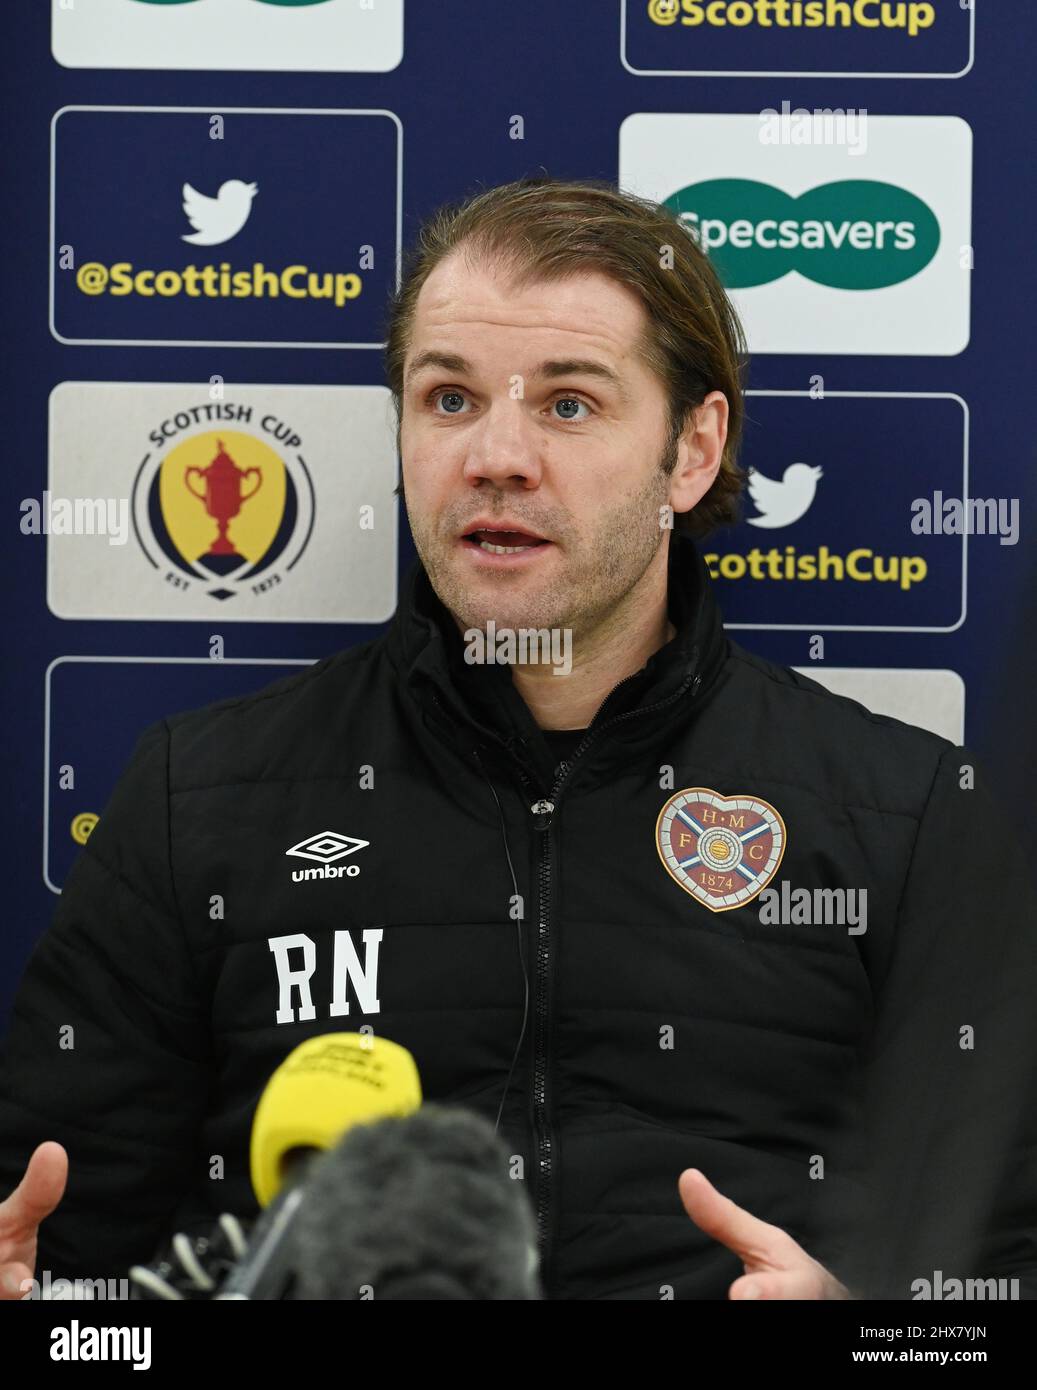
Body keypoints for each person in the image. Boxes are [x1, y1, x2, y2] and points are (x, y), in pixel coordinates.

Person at [2, 176, 1036, 1301]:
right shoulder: (196, 797)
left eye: (567, 404)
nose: (496, 455)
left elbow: (993, 1281)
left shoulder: (905, 817)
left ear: (691, 450)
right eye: (448, 399)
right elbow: (75, 1280)